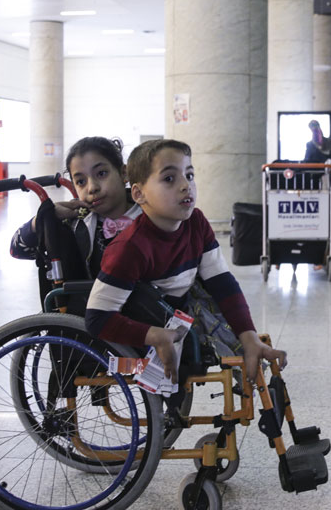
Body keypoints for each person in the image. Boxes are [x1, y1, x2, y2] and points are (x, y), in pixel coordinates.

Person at [84, 139, 286, 393]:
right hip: (147, 322)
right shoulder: (129, 248)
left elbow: (222, 283)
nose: (185, 186)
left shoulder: (197, 223)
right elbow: (97, 319)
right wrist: (155, 335)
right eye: (169, 179)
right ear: (139, 194)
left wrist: (249, 336)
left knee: (242, 339)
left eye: (189, 175)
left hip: (183, 307)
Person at [10, 136, 142, 282]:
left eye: (101, 173)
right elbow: (18, 250)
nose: (92, 188)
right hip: (87, 303)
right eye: (81, 182)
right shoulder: (74, 223)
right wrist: (44, 219)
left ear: (124, 173)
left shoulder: (153, 214)